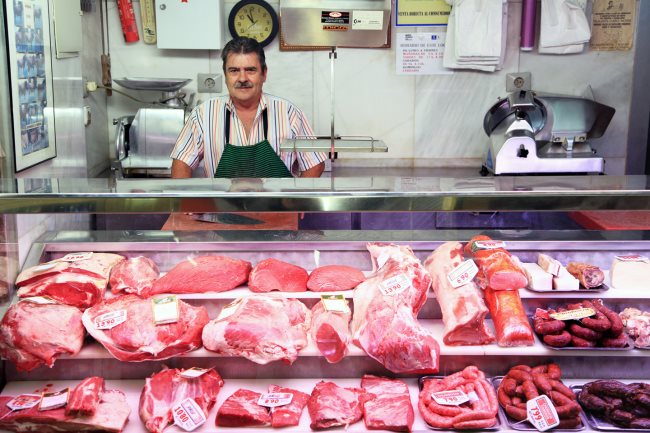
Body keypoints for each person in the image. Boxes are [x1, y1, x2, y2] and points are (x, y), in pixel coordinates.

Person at [170, 37, 326, 178]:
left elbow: (314, 164)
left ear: (264, 74)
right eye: (234, 71)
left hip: (276, 208)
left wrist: (294, 207)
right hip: (222, 208)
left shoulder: (289, 113)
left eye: (250, 70)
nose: (242, 78)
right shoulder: (203, 115)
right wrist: (185, 207)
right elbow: (181, 163)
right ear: (225, 76)